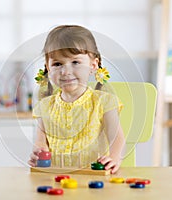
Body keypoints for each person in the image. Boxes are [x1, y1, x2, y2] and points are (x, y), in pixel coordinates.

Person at [28, 25, 124, 174]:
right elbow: (40, 141)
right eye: (57, 64)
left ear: (93, 65)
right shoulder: (44, 106)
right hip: (56, 178)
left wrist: (114, 158)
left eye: (75, 62)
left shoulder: (104, 102)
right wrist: (39, 151)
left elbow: (116, 136)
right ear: (48, 68)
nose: (66, 71)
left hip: (94, 177)